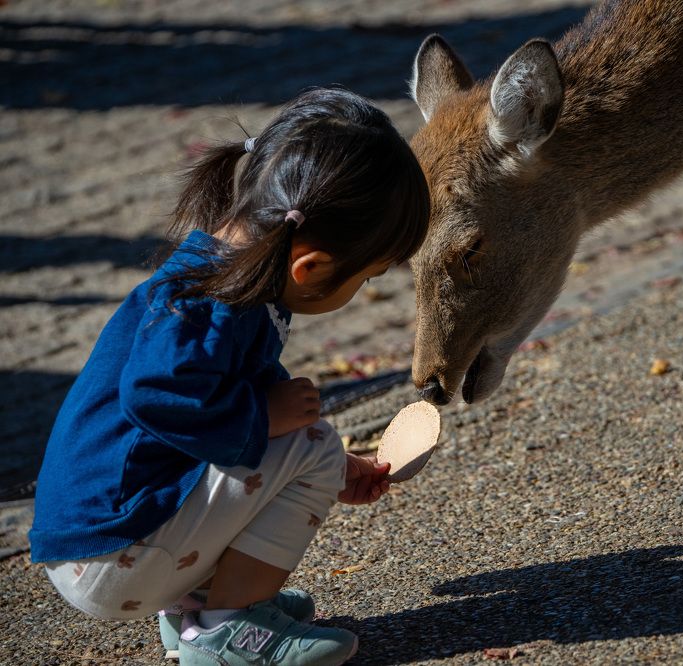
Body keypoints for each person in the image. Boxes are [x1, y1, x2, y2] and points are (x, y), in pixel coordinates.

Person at [29, 86, 430, 665]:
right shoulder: (209, 307)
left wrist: (330, 468)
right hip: (113, 552)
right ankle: (226, 630)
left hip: (112, 540)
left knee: (311, 449)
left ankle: (200, 609)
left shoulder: (230, 280)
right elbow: (153, 396)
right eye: (366, 277)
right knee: (313, 442)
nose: (363, 288)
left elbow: (224, 421)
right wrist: (268, 422)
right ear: (311, 265)